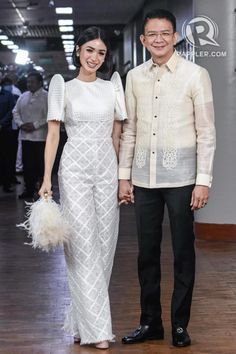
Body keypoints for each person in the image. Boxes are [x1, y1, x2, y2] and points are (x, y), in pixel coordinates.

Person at [119, 9, 216, 348]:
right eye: (152, 34)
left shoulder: (195, 74)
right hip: (144, 178)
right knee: (146, 253)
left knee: (183, 253)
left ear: (175, 37)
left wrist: (202, 180)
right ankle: (150, 323)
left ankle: (179, 324)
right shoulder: (134, 77)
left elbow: (206, 131)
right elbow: (129, 130)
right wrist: (123, 176)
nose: (158, 39)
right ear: (143, 40)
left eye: (165, 33)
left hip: (182, 180)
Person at [39, 26, 127, 349]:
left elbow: (116, 136)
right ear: (78, 51)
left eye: (101, 52)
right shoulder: (64, 87)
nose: (95, 57)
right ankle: (99, 330)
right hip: (74, 169)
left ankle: (81, 321)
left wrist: (121, 177)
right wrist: (47, 178)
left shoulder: (112, 87)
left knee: (105, 244)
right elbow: (52, 135)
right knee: (83, 245)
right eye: (89, 50)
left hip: (106, 168)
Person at [13, 72, 48, 199]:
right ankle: (29, 189)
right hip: (26, 137)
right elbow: (15, 111)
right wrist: (21, 124)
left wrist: (35, 125)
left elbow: (49, 116)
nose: (29, 84)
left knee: (41, 165)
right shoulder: (23, 96)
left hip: (40, 138)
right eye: (28, 82)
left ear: (40, 83)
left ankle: (41, 189)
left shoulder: (46, 97)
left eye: (32, 82)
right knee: (27, 166)